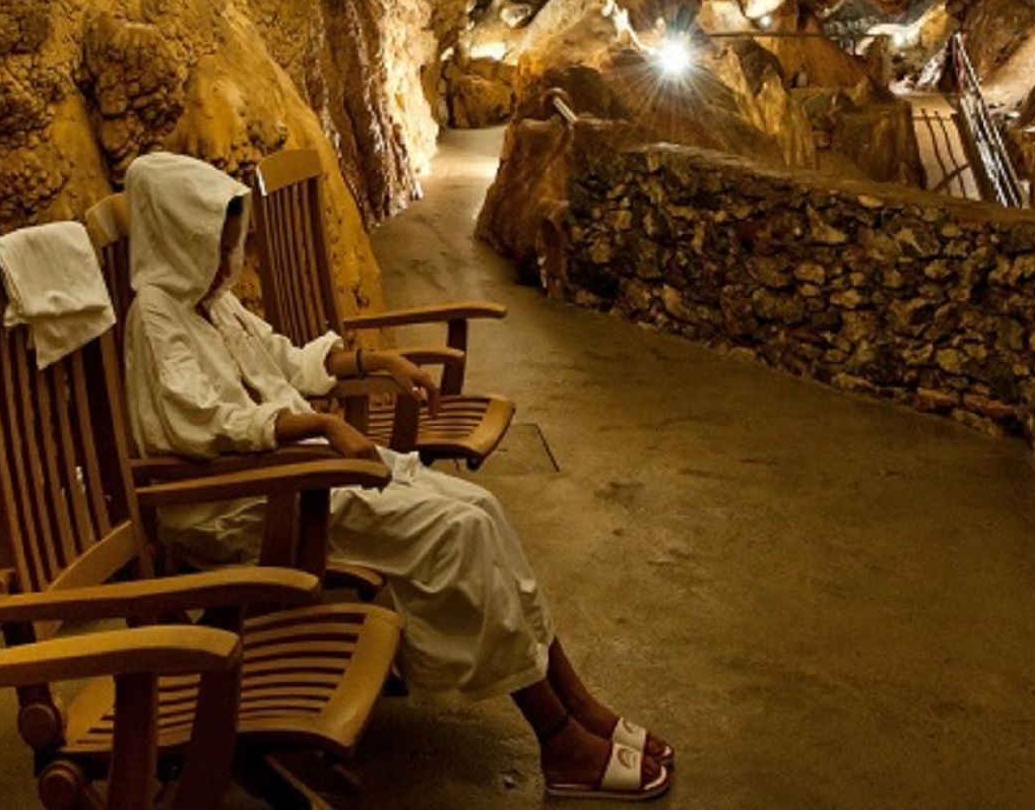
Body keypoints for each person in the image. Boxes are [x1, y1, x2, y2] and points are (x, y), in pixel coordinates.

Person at [122, 151, 673, 802]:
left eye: (228, 240)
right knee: (455, 534)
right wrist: (319, 428)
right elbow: (198, 424)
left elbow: (285, 360)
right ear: (178, 235)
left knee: (479, 510)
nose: (224, 256)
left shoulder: (211, 306)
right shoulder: (157, 319)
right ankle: (557, 738)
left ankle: (577, 702)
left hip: (294, 476)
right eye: (212, 239)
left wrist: (373, 358)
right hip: (243, 501)